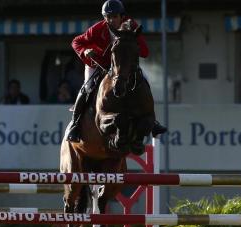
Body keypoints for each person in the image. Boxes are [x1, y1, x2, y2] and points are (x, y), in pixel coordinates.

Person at [66, 0, 167, 142]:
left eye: (114, 16)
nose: (110, 20)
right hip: (99, 63)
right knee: (86, 87)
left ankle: (153, 121)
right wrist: (85, 51)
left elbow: (144, 52)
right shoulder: (98, 29)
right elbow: (76, 42)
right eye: (107, 17)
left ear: (121, 16)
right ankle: (75, 125)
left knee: (144, 80)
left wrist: (133, 41)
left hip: (122, 66)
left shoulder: (131, 26)